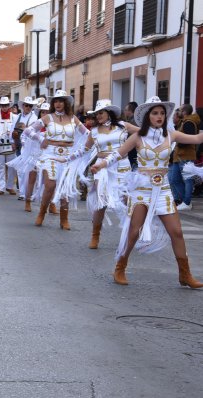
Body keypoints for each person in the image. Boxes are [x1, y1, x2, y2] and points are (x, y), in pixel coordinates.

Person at [91, 96, 203, 288]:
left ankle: (185, 274)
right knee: (134, 231)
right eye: (155, 113)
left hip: (163, 190)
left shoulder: (171, 135)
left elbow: (198, 138)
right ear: (147, 116)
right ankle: (120, 266)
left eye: (162, 113)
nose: (159, 116)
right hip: (142, 190)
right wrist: (101, 164)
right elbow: (118, 154)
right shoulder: (138, 137)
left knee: (176, 232)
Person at [59, 99, 131, 249]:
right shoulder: (94, 131)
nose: (98, 116)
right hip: (102, 168)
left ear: (109, 113)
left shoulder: (123, 127)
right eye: (96, 114)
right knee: (101, 201)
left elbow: (143, 134)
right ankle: (95, 235)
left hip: (122, 166)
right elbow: (83, 150)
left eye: (101, 113)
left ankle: (131, 235)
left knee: (127, 201)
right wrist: (67, 158)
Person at [22, 90, 90, 229]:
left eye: (61, 101)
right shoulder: (48, 118)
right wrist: (41, 138)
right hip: (50, 154)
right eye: (56, 101)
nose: (58, 103)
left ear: (66, 103)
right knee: (50, 185)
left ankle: (64, 218)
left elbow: (88, 134)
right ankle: (42, 212)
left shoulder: (73, 119)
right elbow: (28, 131)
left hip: (68, 155)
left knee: (65, 187)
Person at [169, 104, 199, 211]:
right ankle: (183, 201)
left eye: (180, 110)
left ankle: (187, 202)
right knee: (174, 179)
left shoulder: (189, 123)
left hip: (185, 156)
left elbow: (189, 139)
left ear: (184, 112)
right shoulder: (184, 122)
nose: (178, 112)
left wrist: (178, 142)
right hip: (179, 156)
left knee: (187, 179)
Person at [11, 97, 39, 198]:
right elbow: (11, 130)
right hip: (18, 144)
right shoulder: (17, 117)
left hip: (29, 146)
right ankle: (22, 193)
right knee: (20, 169)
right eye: (26, 105)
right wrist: (12, 142)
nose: (28, 107)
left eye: (30, 106)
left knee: (27, 170)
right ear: (23, 106)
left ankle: (27, 192)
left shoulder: (34, 118)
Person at [0, 97, 16, 195]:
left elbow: (16, 130)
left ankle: (9, 186)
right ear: (0, 106)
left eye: (6, 105)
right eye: (2, 105)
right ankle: (0, 187)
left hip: (10, 144)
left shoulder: (14, 117)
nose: (4, 107)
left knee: (11, 166)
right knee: (0, 165)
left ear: (9, 106)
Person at [124, 101, 139, 170]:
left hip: (133, 151)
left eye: (125, 110)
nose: (124, 112)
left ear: (130, 111)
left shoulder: (133, 122)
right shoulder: (133, 120)